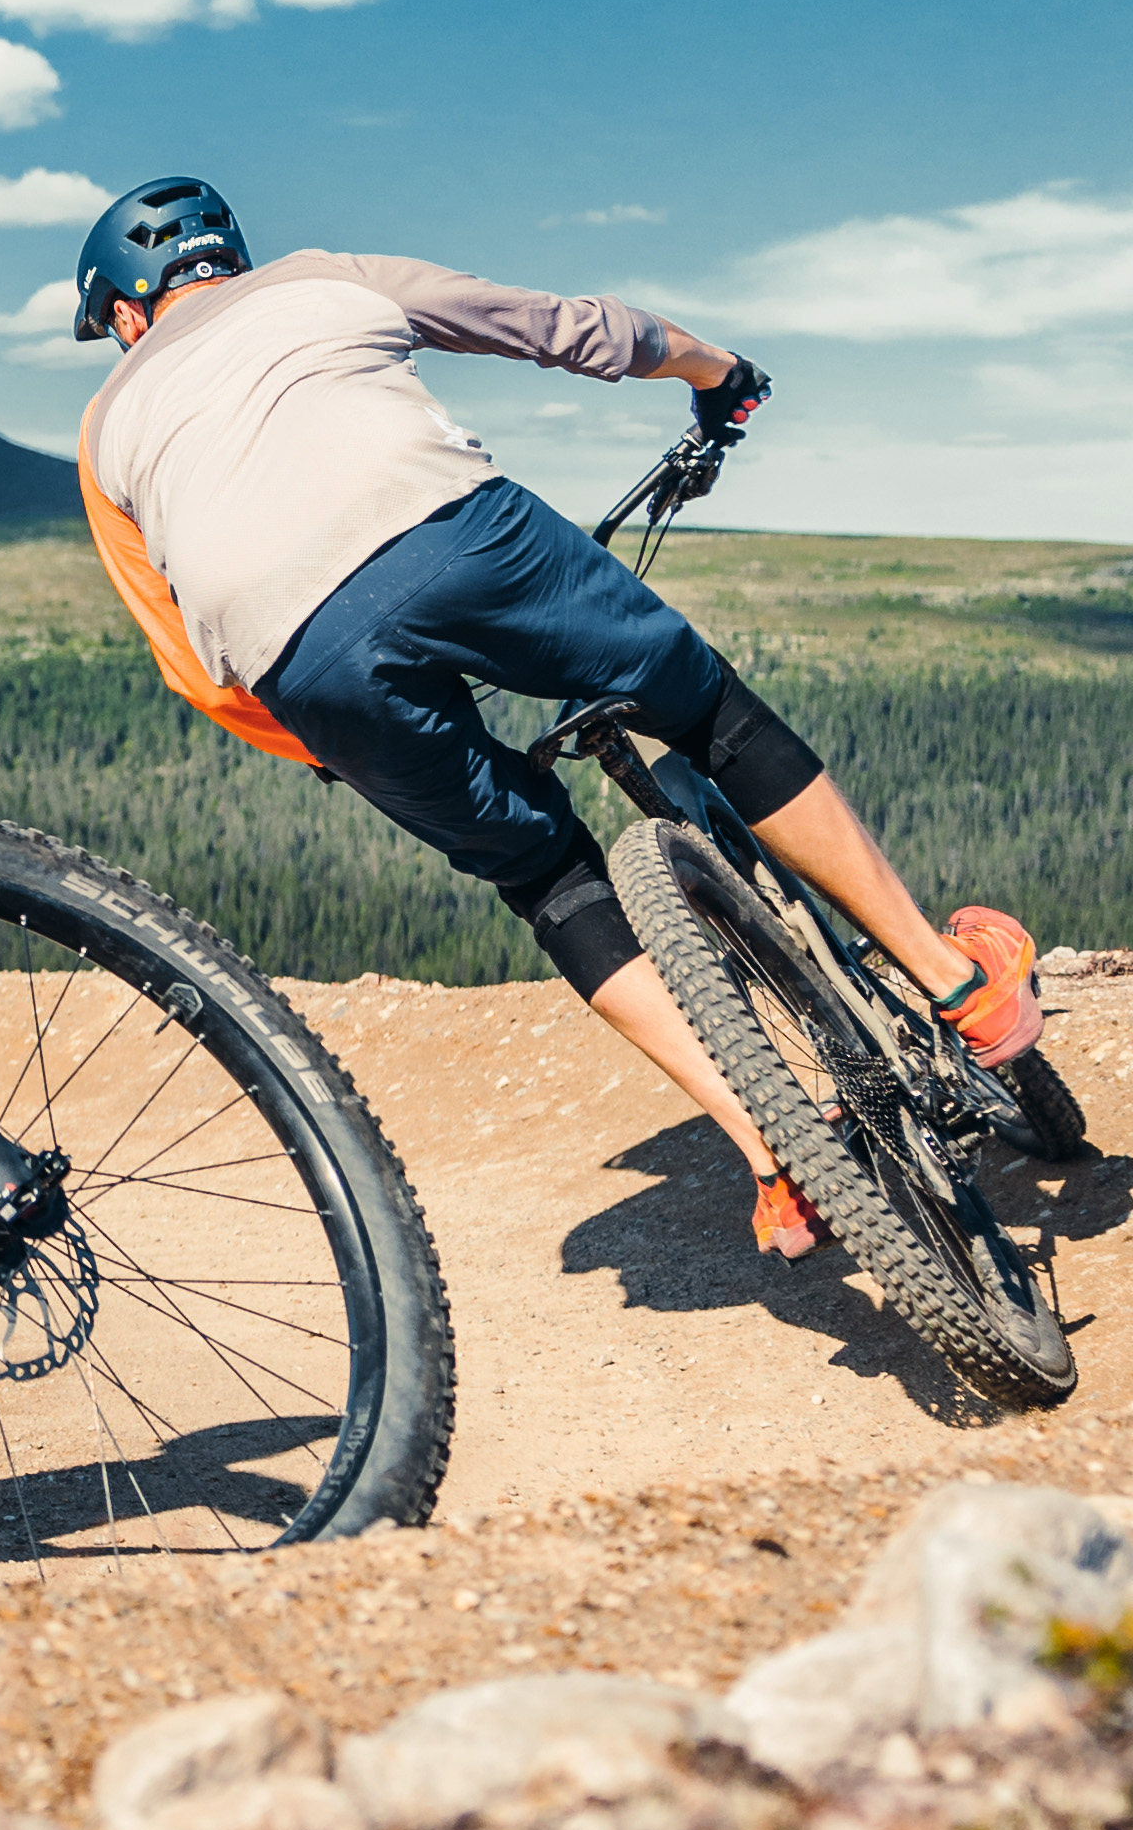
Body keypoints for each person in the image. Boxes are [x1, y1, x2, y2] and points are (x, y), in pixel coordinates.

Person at [67, 176, 1042, 1259]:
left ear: (125, 312)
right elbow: (561, 327)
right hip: (453, 533)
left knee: (541, 873)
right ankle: (956, 982)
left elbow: (194, 673)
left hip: (298, 655)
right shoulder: (323, 280)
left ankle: (771, 1149)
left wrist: (333, 742)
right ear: (224, 260)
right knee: (705, 708)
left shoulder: (104, 430)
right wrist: (715, 375)